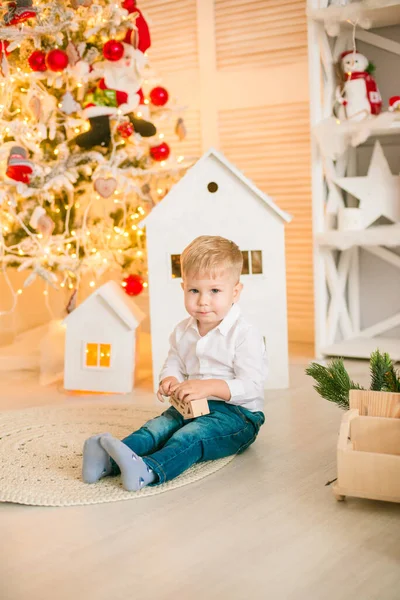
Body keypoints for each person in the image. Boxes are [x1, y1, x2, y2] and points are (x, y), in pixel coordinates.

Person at [82, 235, 268, 491]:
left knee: (189, 436)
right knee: (158, 427)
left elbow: (252, 386)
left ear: (235, 292)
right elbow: (174, 363)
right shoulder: (183, 331)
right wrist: (169, 379)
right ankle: (108, 461)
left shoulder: (244, 334)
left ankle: (148, 470)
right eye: (194, 290)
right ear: (184, 288)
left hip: (238, 415)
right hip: (191, 404)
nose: (203, 300)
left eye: (214, 291)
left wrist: (209, 387)